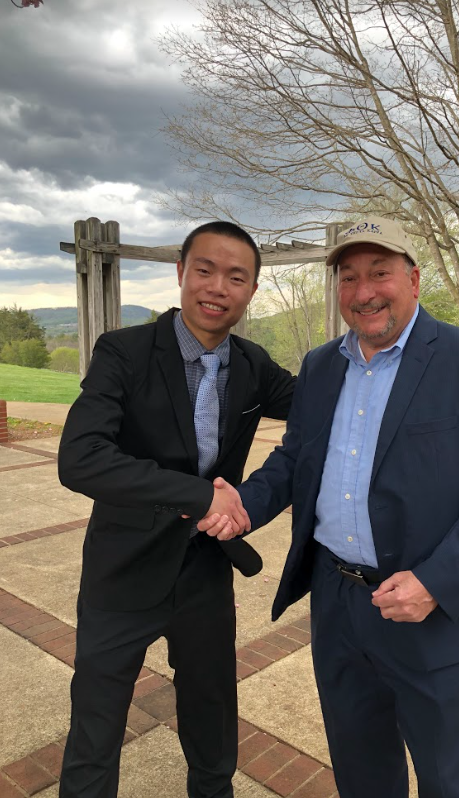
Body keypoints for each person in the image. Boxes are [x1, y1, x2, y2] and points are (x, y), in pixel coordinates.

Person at [203, 216, 459, 798]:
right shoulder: (321, 365)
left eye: (379, 273)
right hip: (339, 605)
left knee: (452, 782)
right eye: (349, 277)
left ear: (411, 278)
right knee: (362, 776)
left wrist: (435, 582)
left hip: (431, 614)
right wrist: (245, 504)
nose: (364, 292)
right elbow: (296, 457)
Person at [57, 221, 295, 798]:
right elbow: (81, 458)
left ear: (252, 289)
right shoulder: (126, 351)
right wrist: (199, 496)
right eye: (205, 270)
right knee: (97, 724)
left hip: (203, 572)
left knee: (212, 720)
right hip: (124, 568)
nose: (218, 287)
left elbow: (328, 405)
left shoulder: (252, 363)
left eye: (236, 277)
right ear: (181, 274)